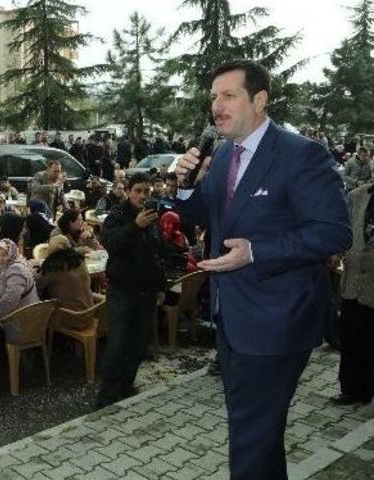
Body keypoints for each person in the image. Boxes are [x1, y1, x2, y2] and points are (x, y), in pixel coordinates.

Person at [174, 60, 351, 480]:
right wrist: (184, 186)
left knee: (250, 434)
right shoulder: (222, 155)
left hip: (277, 320)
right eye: (213, 96)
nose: (216, 105)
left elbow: (334, 232)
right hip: (230, 316)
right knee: (260, 431)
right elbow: (203, 216)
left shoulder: (301, 154)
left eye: (228, 95)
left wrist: (256, 252)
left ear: (260, 100)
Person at [97, 172, 165, 407]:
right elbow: (111, 242)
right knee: (118, 343)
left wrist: (160, 286)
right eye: (138, 191)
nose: (143, 196)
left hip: (146, 291)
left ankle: (126, 385)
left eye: (147, 191)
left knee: (138, 342)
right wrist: (135, 227)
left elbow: (156, 252)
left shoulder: (152, 216)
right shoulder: (117, 216)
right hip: (122, 291)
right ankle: (106, 394)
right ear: (128, 191)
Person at [335, 181, 374, 405]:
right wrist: (335, 254)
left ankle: (367, 387)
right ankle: (350, 389)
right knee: (351, 336)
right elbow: (343, 230)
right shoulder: (357, 195)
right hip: (353, 281)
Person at [37, 235, 95, 327]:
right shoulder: (79, 260)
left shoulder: (53, 267)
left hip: (72, 318)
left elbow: (38, 285)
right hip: (90, 313)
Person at [0, 238, 39, 341]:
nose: (0, 259)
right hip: (17, 312)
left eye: (4, 255)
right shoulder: (5, 267)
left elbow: (10, 300)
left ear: (11, 253)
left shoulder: (16, 270)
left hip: (22, 320)